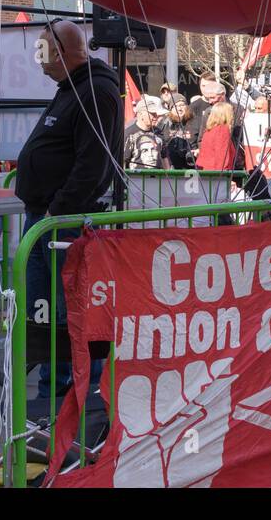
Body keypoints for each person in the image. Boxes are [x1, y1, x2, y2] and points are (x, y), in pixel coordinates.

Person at [15, 21, 123, 399]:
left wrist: (58, 211)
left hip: (60, 223)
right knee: (45, 311)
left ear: (64, 53)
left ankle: (76, 396)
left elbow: (93, 166)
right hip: (47, 219)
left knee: (69, 312)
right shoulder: (73, 89)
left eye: (43, 53)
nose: (39, 61)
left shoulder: (94, 91)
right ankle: (54, 393)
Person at [196, 101, 238, 170]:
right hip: (216, 175)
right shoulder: (222, 130)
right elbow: (222, 157)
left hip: (205, 172)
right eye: (231, 113)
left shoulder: (209, 130)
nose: (232, 116)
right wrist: (223, 178)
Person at [125, 99, 166, 170]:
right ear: (141, 114)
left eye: (155, 113)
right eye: (152, 113)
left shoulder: (159, 132)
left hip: (158, 179)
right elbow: (123, 161)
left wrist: (168, 178)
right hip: (136, 179)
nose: (155, 116)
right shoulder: (129, 134)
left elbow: (164, 157)